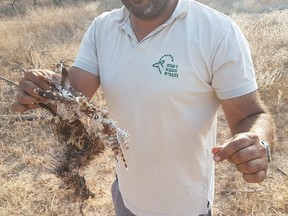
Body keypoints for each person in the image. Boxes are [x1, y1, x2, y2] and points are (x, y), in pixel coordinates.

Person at [12, 0, 275, 215]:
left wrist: (258, 143)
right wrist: (46, 89)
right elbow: (74, 98)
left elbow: (251, 115)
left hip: (184, 204)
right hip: (126, 195)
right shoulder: (102, 29)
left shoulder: (216, 31)